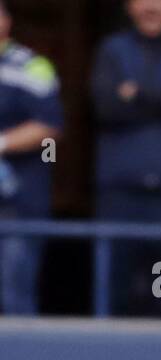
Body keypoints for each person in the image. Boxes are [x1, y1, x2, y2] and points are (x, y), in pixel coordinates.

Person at [91, 0, 161, 316]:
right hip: (121, 195)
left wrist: (137, 93)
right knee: (111, 297)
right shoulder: (112, 51)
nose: (151, 6)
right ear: (128, 6)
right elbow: (107, 109)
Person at [0, 0, 63, 315]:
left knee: (14, 296)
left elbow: (50, 129)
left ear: (6, 21)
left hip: (16, 205)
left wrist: (2, 142)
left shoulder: (32, 66)